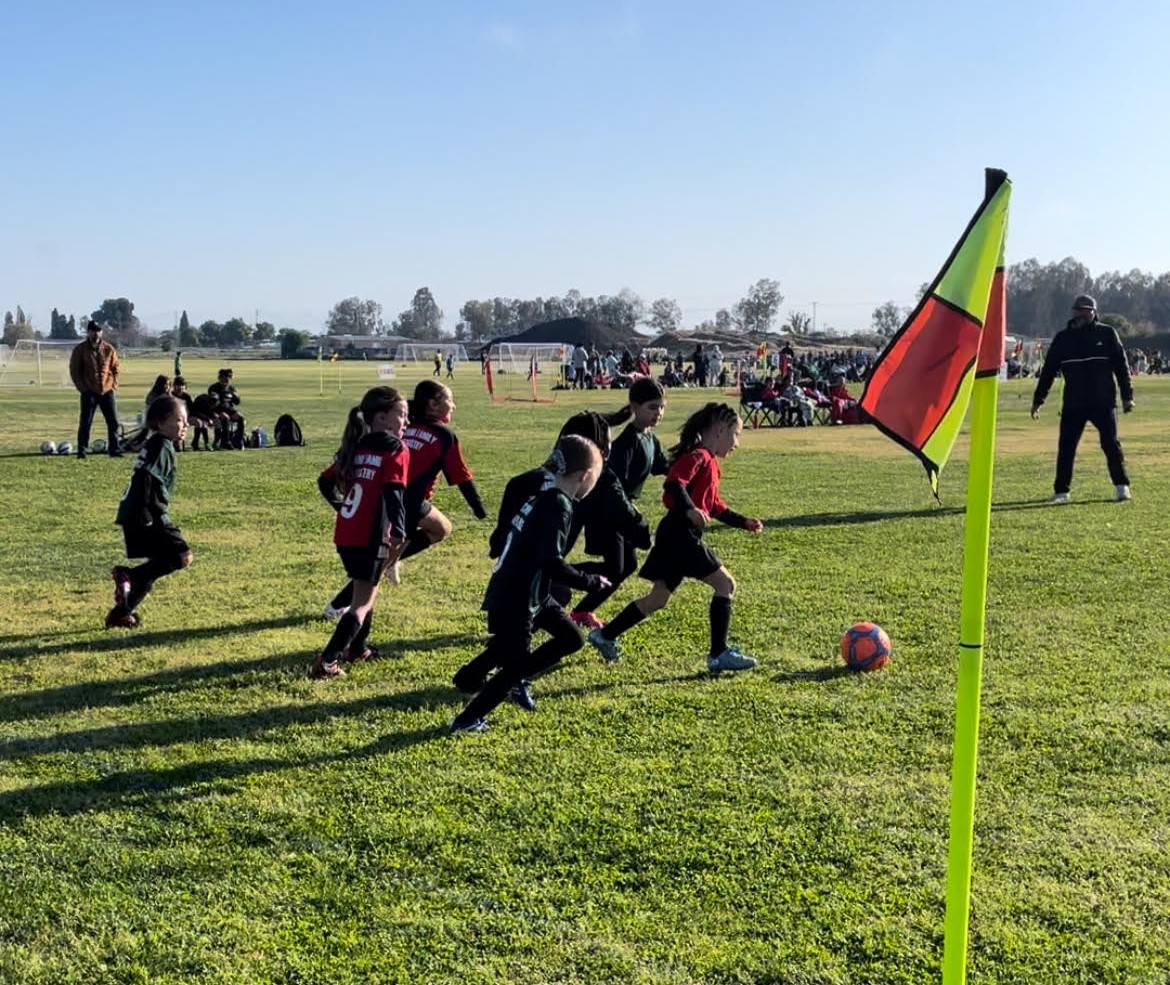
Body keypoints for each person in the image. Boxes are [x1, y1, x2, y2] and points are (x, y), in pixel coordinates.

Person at [586, 402, 764, 673]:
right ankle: (718, 655)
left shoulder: (710, 463)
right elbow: (674, 483)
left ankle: (605, 635)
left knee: (657, 599)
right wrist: (689, 509)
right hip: (681, 535)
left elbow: (714, 506)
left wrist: (743, 522)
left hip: (674, 535)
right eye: (735, 434)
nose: (736, 443)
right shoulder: (699, 456)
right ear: (718, 431)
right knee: (725, 585)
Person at [449, 435, 608, 733]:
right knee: (516, 666)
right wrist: (591, 581)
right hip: (517, 597)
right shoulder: (558, 506)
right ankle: (467, 720)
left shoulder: (543, 496)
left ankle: (474, 679)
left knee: (571, 638)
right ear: (585, 476)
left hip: (529, 591)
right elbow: (551, 562)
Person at [323, 380, 487, 619]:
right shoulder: (443, 435)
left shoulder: (400, 422)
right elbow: (462, 478)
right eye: (449, 400)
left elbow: (333, 475)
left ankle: (393, 561)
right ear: (433, 404)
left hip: (395, 497)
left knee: (441, 528)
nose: (454, 405)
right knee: (374, 570)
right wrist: (480, 510)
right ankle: (338, 606)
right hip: (398, 500)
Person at [311, 387, 410, 680]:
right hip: (371, 535)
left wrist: (341, 507)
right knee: (362, 603)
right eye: (402, 415)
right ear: (381, 417)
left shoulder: (357, 446)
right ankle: (327, 662)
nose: (406, 422)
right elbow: (394, 492)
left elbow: (324, 481)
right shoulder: (395, 448)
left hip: (346, 534)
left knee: (366, 590)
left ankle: (358, 649)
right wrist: (400, 531)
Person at [571, 379, 668, 625]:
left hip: (623, 513)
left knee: (626, 566)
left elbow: (662, 466)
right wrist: (630, 515)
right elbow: (613, 486)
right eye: (652, 407)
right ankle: (557, 573)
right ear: (635, 406)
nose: (658, 413)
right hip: (608, 513)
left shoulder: (650, 439)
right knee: (616, 568)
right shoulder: (627, 442)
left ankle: (581, 610)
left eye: (661, 407)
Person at [1031, 294, 1134, 503]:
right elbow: (1049, 371)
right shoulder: (1062, 339)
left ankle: (1122, 486)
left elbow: (1122, 367)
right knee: (1066, 447)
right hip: (1073, 403)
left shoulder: (1107, 334)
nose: (1081, 313)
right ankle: (1062, 492)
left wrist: (1127, 397)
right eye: (1078, 310)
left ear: (1094, 312)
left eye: (1086, 310)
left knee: (1110, 444)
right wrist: (1038, 400)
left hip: (1103, 402)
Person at [107, 396, 192, 628]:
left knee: (156, 566)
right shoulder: (161, 446)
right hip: (147, 514)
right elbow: (145, 478)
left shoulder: (156, 443)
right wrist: (146, 514)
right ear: (162, 422)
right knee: (181, 556)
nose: (185, 425)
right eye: (180, 420)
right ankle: (128, 577)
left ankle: (121, 614)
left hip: (134, 514)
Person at [69, 320, 123, 459]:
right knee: (86, 422)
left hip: (107, 390)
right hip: (89, 391)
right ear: (88, 332)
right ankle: (82, 450)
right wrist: (83, 389)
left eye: (98, 330)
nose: (96, 333)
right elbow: (75, 371)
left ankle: (115, 450)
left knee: (113, 422)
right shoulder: (80, 349)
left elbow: (115, 369)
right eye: (93, 330)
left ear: (102, 332)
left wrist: (113, 385)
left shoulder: (109, 349)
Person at [208, 368, 245, 449]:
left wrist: (237, 397)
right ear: (219, 378)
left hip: (230, 410)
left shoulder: (231, 388)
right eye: (223, 378)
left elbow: (236, 403)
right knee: (226, 418)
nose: (225, 380)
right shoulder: (214, 388)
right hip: (218, 411)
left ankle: (238, 440)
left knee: (241, 418)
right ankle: (226, 442)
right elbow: (212, 403)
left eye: (228, 378)